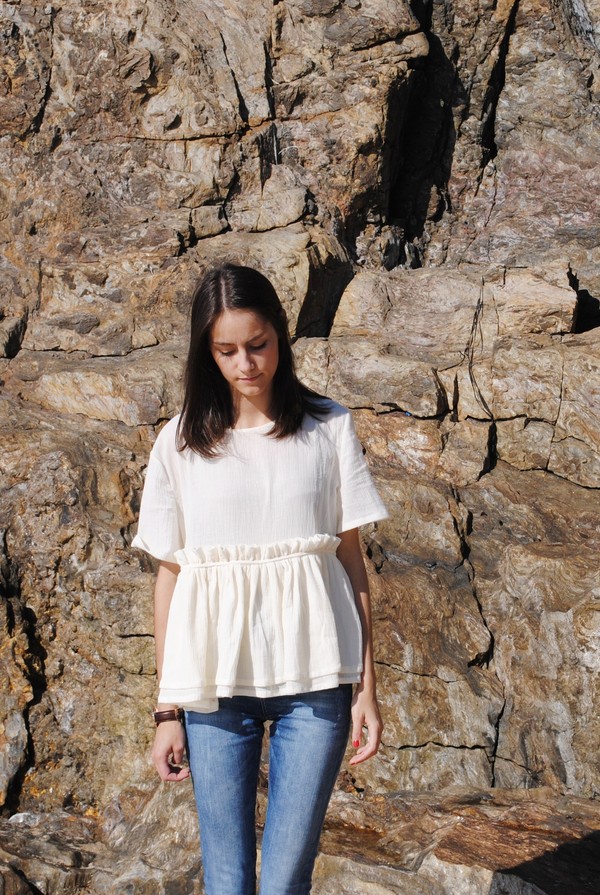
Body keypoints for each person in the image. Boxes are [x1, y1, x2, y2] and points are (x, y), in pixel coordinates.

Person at [132, 263, 387, 895]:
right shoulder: (178, 445)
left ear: (280, 336)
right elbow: (170, 580)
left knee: (285, 879)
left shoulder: (329, 427)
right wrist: (166, 710)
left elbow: (352, 564)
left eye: (258, 344)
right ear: (206, 352)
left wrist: (366, 688)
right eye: (227, 351)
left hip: (318, 684)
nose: (246, 364)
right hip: (214, 688)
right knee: (225, 877)